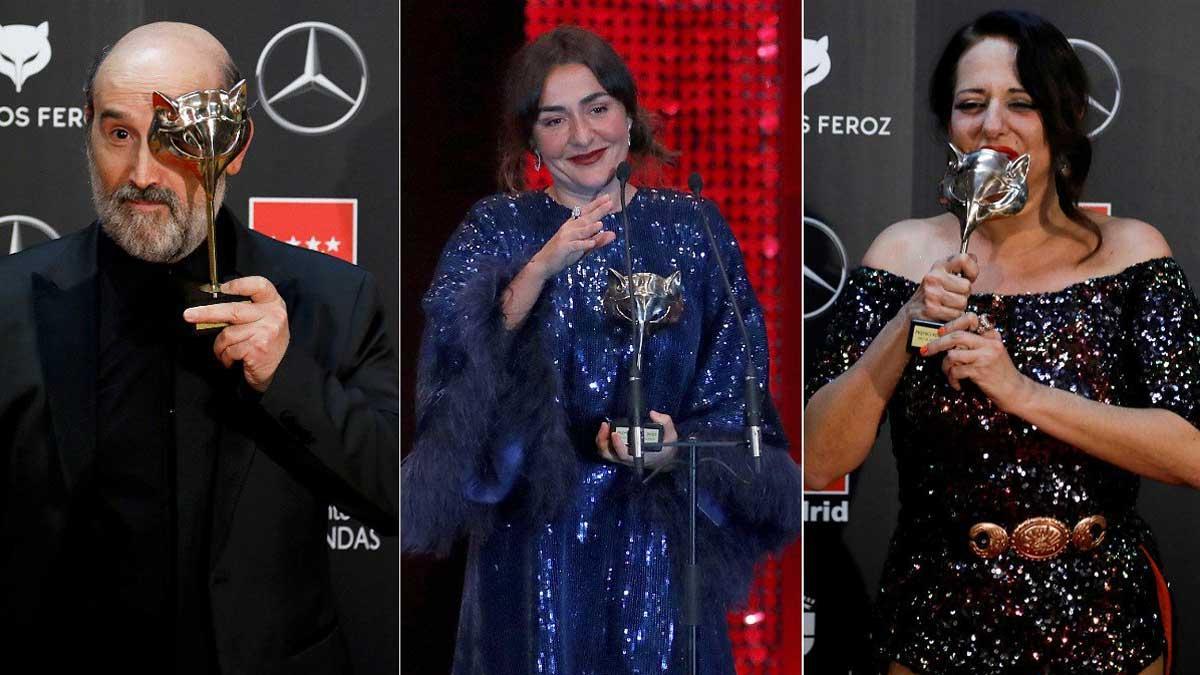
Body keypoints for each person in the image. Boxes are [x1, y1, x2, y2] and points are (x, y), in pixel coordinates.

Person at [804, 10, 1200, 675]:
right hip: (935, 625)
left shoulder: (1131, 253)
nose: (994, 124)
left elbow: (1190, 452)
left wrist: (1018, 390)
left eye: (1021, 103)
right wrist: (909, 320)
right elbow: (818, 459)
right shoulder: (903, 255)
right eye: (971, 104)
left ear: (1063, 118)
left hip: (1104, 624)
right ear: (947, 124)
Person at [401, 25, 801, 674]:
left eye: (597, 109)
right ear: (529, 137)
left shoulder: (693, 227)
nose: (583, 137)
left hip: (660, 548)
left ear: (628, 115)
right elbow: (456, 373)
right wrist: (539, 266)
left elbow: (741, 399)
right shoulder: (495, 227)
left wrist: (681, 446)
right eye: (555, 120)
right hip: (533, 548)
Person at [0, 22, 398, 673]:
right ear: (88, 129)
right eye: (118, 133)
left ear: (234, 142)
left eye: (175, 137)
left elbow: (393, 498)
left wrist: (287, 376)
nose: (141, 174)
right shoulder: (12, 301)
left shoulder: (331, 297)